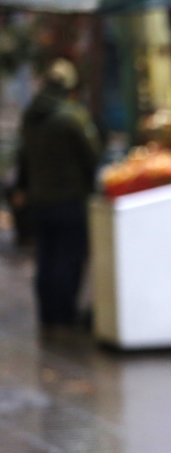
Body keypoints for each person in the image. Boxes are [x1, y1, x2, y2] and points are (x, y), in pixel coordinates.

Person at [15, 58, 101, 334]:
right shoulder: (70, 117)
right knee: (68, 258)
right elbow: (92, 156)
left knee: (46, 257)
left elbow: (23, 158)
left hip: (40, 200)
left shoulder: (31, 116)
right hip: (69, 199)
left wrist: (24, 189)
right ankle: (64, 314)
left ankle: (48, 314)